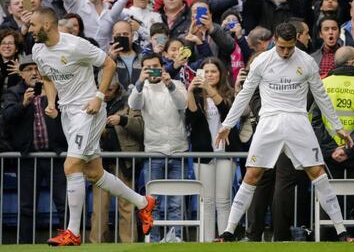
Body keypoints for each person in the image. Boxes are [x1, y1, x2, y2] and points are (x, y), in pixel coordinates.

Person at [213, 22, 354, 242]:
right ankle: (228, 231)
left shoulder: (307, 62)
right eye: (281, 47)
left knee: (318, 173)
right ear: (274, 41)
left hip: (298, 122)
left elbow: (321, 96)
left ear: (295, 42)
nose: (286, 52)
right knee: (252, 175)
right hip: (269, 122)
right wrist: (227, 124)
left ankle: (342, 232)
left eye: (290, 47)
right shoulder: (262, 61)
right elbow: (244, 94)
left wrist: (338, 126)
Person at [28, 7, 155, 246]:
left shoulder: (76, 45)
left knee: (71, 165)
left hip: (89, 111)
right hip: (68, 113)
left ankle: (73, 232)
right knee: (94, 173)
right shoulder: (38, 50)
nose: (29, 30)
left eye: (33, 25)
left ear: (47, 25)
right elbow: (47, 77)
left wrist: (98, 96)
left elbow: (108, 64)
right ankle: (143, 203)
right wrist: (52, 102)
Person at [311, 46, 354, 240]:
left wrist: (332, 149)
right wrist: (348, 150)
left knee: (328, 199)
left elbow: (314, 120)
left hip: (329, 154)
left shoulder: (323, 84)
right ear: (352, 63)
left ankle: (325, 240)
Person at [2, 55, 67, 243]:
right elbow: (7, 116)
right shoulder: (14, 92)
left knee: (63, 204)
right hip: (28, 158)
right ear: (21, 74)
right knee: (26, 206)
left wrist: (53, 102)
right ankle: (25, 244)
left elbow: (67, 115)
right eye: (28, 69)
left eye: (36, 68)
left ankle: (68, 240)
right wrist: (23, 103)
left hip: (55, 156)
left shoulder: (53, 89)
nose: (33, 72)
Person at [128, 52, 188, 242]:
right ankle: (153, 240)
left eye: (156, 66)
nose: (153, 70)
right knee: (153, 202)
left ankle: (175, 239)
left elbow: (183, 104)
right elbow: (133, 104)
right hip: (154, 151)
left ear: (163, 67)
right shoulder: (141, 88)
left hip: (178, 150)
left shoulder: (176, 84)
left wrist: (169, 84)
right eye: (148, 67)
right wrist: (139, 82)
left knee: (176, 201)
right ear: (143, 69)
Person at [186, 57, 241, 242]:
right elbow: (191, 117)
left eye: (213, 71)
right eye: (205, 72)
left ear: (221, 74)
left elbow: (226, 111)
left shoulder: (229, 93)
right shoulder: (197, 95)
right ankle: (206, 241)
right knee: (207, 201)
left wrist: (209, 90)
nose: (209, 75)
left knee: (223, 200)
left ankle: (224, 240)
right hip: (204, 154)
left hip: (226, 153)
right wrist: (190, 91)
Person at [89, 71, 144, 243]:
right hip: (100, 161)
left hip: (125, 161)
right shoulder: (93, 99)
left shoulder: (130, 99)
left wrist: (122, 120)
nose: (106, 93)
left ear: (117, 86)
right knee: (99, 208)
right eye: (103, 89)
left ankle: (129, 245)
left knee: (127, 206)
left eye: (110, 89)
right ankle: (95, 245)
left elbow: (141, 127)